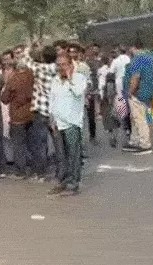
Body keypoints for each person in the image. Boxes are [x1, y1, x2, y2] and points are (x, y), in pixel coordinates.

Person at [48, 53, 88, 196]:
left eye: (64, 64)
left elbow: (78, 93)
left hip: (72, 123)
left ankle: (73, 182)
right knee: (60, 155)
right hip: (58, 123)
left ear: (71, 65)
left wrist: (70, 78)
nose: (61, 68)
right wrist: (51, 118)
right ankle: (62, 180)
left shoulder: (79, 79)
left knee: (73, 154)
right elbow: (52, 100)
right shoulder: (55, 80)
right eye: (58, 65)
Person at [22, 44, 58, 181]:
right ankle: (61, 170)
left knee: (40, 143)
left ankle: (41, 172)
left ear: (43, 57)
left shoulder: (40, 68)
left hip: (42, 109)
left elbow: (26, 60)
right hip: (56, 110)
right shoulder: (58, 68)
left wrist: (28, 48)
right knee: (57, 141)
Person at [1, 61, 35, 179]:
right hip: (31, 113)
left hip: (17, 115)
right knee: (32, 142)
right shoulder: (31, 76)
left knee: (18, 144)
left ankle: (21, 170)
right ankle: (36, 167)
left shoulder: (13, 80)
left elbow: (4, 99)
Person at [123, 41, 153, 155]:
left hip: (138, 93)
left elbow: (135, 77)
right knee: (135, 117)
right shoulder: (152, 58)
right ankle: (135, 140)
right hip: (149, 91)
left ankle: (144, 144)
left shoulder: (138, 59)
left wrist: (130, 92)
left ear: (134, 48)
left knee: (139, 118)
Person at [98, 54, 120, 148]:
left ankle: (111, 136)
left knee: (107, 119)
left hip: (105, 97)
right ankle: (114, 136)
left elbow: (102, 85)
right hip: (115, 97)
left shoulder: (101, 71)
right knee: (115, 118)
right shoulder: (112, 72)